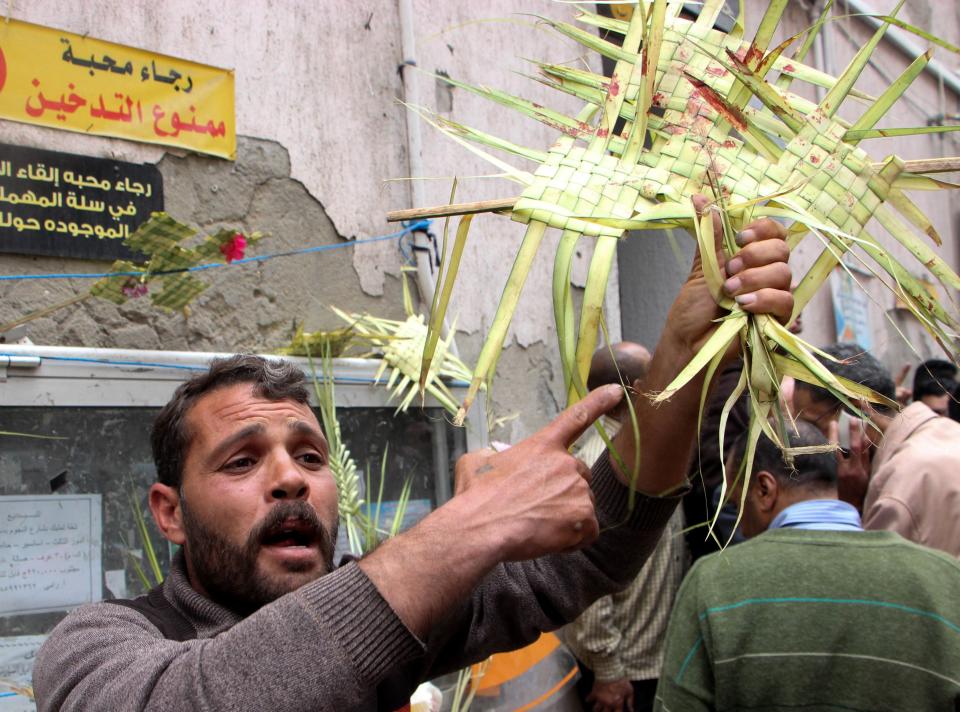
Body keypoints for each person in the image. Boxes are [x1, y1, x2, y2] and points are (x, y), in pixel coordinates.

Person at [32, 200, 794, 711]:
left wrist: (685, 356)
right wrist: (472, 526)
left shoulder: (403, 604)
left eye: (310, 454)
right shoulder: (99, 647)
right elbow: (205, 693)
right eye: (241, 461)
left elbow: (591, 547)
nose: (291, 477)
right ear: (169, 512)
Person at [656, 422, 960, 710]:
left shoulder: (712, 583)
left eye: (736, 508)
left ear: (764, 490)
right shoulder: (945, 579)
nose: (743, 530)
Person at [563, 343, 689, 712]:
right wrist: (608, 672)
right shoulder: (600, 467)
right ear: (636, 389)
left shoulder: (643, 451)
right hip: (625, 673)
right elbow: (583, 583)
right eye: (656, 375)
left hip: (650, 658)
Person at [833, 348, 960, 557]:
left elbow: (868, 579)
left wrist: (851, 507)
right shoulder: (949, 433)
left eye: (813, 425)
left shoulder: (897, 488)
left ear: (855, 415)